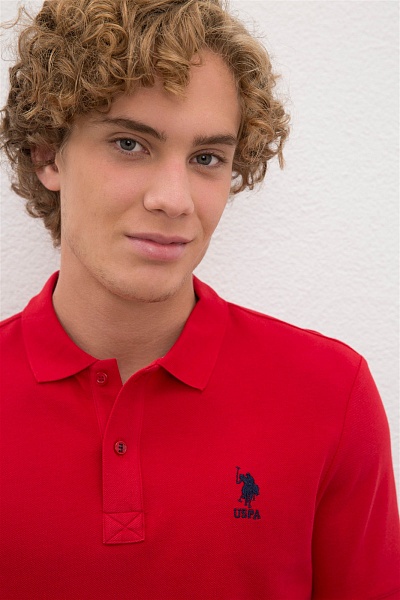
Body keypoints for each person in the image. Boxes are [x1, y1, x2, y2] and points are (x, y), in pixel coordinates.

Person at [0, 0, 399, 598]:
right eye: (130, 144)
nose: (175, 199)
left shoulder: (331, 393)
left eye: (206, 158)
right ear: (46, 154)